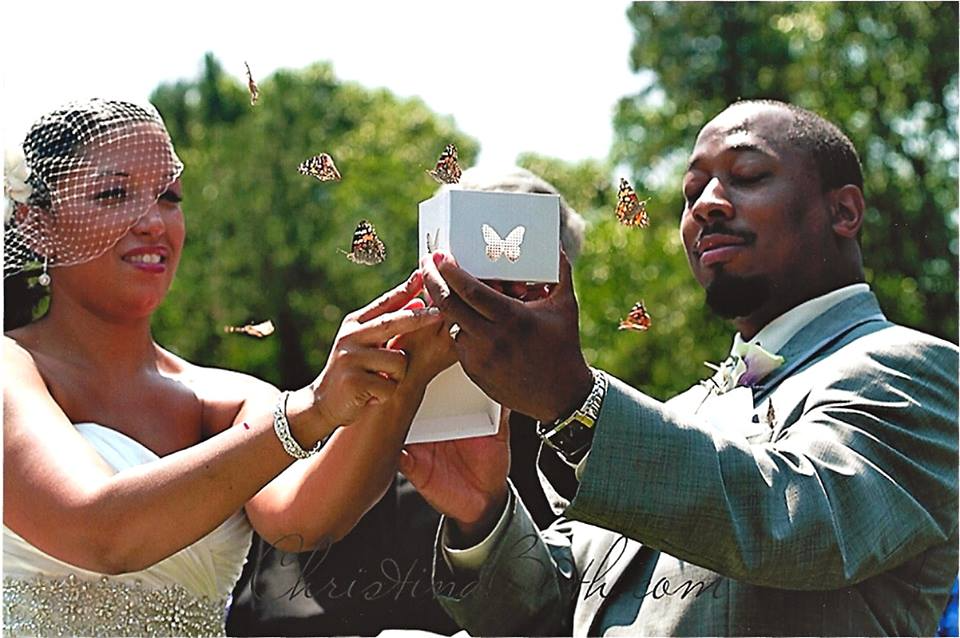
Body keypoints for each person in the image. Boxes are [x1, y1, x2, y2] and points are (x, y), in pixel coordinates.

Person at [402, 99, 959, 636]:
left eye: (748, 175)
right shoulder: (682, 412)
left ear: (844, 211)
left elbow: (800, 526)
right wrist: (483, 513)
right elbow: (552, 609)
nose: (707, 203)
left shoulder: (915, 371)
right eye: (692, 190)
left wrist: (575, 404)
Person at [2, 98, 450, 637]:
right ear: (36, 224)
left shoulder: (227, 397)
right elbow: (101, 532)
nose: (153, 222)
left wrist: (399, 374)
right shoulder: (12, 370)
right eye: (114, 193)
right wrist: (310, 411)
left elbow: (303, 521)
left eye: (169, 197)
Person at [225, 165, 586, 636]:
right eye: (477, 273)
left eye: (527, 281)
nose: (501, 301)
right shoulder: (366, 404)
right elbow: (276, 604)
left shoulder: (585, 445)